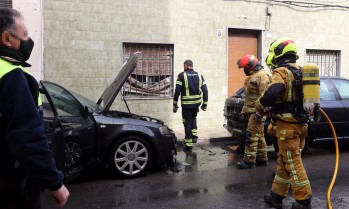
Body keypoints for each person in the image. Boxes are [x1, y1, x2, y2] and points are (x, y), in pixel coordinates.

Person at [0, 8, 69, 208]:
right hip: (11, 187)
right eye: (25, 35)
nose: (28, 40)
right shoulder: (12, 75)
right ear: (7, 38)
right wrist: (55, 182)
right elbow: (27, 137)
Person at [256, 38, 312, 209]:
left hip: (288, 127)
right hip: (301, 125)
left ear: (278, 53)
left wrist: (260, 104)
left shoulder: (281, 71)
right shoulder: (300, 71)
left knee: (293, 162)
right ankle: (276, 196)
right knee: (284, 161)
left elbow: (275, 89)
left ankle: (304, 201)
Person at [235, 54, 270, 169]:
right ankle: (262, 159)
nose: (244, 70)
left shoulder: (262, 76)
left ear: (251, 66)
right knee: (259, 135)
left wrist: (260, 112)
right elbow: (250, 97)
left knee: (251, 135)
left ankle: (249, 161)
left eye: (245, 67)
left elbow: (264, 96)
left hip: (257, 111)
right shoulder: (253, 76)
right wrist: (244, 111)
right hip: (252, 111)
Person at [173, 60, 208, 151]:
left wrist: (175, 105)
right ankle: (194, 136)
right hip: (196, 103)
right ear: (192, 66)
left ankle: (188, 145)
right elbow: (205, 90)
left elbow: (177, 91)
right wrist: (204, 104)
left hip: (187, 105)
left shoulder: (182, 75)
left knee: (187, 122)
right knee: (193, 118)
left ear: (185, 66)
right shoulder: (200, 75)